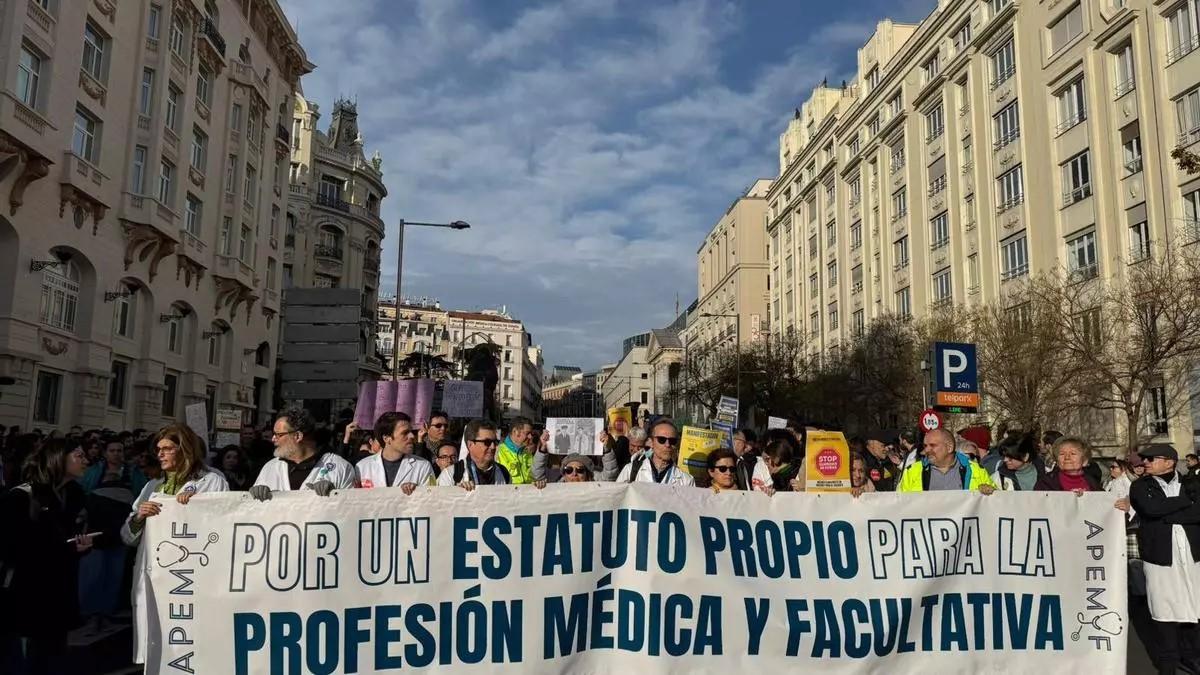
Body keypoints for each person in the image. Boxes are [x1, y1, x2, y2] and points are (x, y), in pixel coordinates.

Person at [120, 424, 228, 665]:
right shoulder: (152, 487)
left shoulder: (211, 481)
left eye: (167, 449)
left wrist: (195, 508)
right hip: (156, 575)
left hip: (190, 576)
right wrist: (138, 519)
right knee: (158, 640)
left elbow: (221, 526)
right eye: (159, 449)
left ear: (185, 450)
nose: (160, 454)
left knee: (191, 642)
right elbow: (127, 536)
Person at [0, 440, 92, 675]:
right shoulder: (22, 497)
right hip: (26, 597)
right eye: (79, 456)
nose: (86, 461)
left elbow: (66, 543)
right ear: (58, 458)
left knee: (52, 659)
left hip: (58, 597)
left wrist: (81, 546)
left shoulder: (74, 495)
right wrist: (64, 549)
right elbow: (13, 549)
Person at [1128, 443, 1200, 675]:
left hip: (1193, 556)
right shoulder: (1140, 486)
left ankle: (1192, 658)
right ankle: (1167, 663)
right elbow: (1150, 509)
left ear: (1169, 462)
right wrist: (1183, 504)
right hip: (1159, 557)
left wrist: (1164, 514)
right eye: (1144, 459)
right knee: (1163, 609)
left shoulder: (1192, 482)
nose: (1145, 463)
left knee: (1194, 606)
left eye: (1151, 459)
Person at [250, 408, 358, 499]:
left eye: (278, 434)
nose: (273, 439)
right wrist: (255, 494)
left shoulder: (339, 467)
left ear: (297, 436)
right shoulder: (270, 468)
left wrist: (334, 495)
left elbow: (350, 510)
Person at [898, 428, 996, 493]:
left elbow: (998, 501)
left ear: (949, 447)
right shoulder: (911, 472)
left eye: (932, 445)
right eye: (925, 446)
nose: (927, 450)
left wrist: (989, 491)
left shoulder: (977, 470)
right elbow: (899, 505)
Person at [357, 412, 435, 493]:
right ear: (386, 438)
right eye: (405, 433)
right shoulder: (362, 467)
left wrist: (418, 491)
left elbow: (431, 496)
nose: (412, 436)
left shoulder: (423, 466)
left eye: (411, 432)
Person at [616, 419, 695, 486]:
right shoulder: (630, 471)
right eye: (661, 440)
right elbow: (616, 500)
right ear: (651, 442)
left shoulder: (686, 481)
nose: (667, 445)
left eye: (672, 441)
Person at [439, 420, 513, 488]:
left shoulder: (504, 473)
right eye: (487, 442)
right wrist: (458, 495)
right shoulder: (450, 474)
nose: (493, 447)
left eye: (495, 442)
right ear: (470, 444)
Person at [1034, 436, 1104, 492]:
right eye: (1062, 454)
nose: (1067, 457)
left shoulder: (1093, 484)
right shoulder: (1045, 483)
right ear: (1057, 461)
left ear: (1084, 461)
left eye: (1073, 453)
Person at [495, 416, 535, 485]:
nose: (530, 437)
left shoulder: (527, 452)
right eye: (527, 433)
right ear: (515, 432)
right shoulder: (497, 452)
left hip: (529, 494)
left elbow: (534, 476)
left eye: (531, 434)